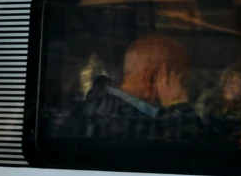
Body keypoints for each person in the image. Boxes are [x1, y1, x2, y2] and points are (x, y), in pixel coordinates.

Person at [58, 32, 203, 143]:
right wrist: (179, 108)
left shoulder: (99, 109)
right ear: (152, 78)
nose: (186, 92)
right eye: (181, 82)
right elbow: (190, 155)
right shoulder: (135, 122)